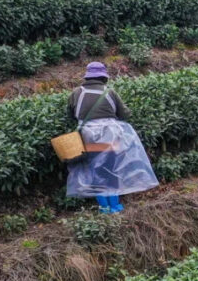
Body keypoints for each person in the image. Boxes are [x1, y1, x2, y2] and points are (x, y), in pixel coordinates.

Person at [65, 61, 158, 213]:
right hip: (110, 135)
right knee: (111, 167)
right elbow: (124, 114)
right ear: (103, 77)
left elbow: (70, 115)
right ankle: (115, 206)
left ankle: (104, 207)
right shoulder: (110, 93)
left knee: (94, 168)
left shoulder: (76, 93)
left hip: (87, 135)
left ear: (87, 77)